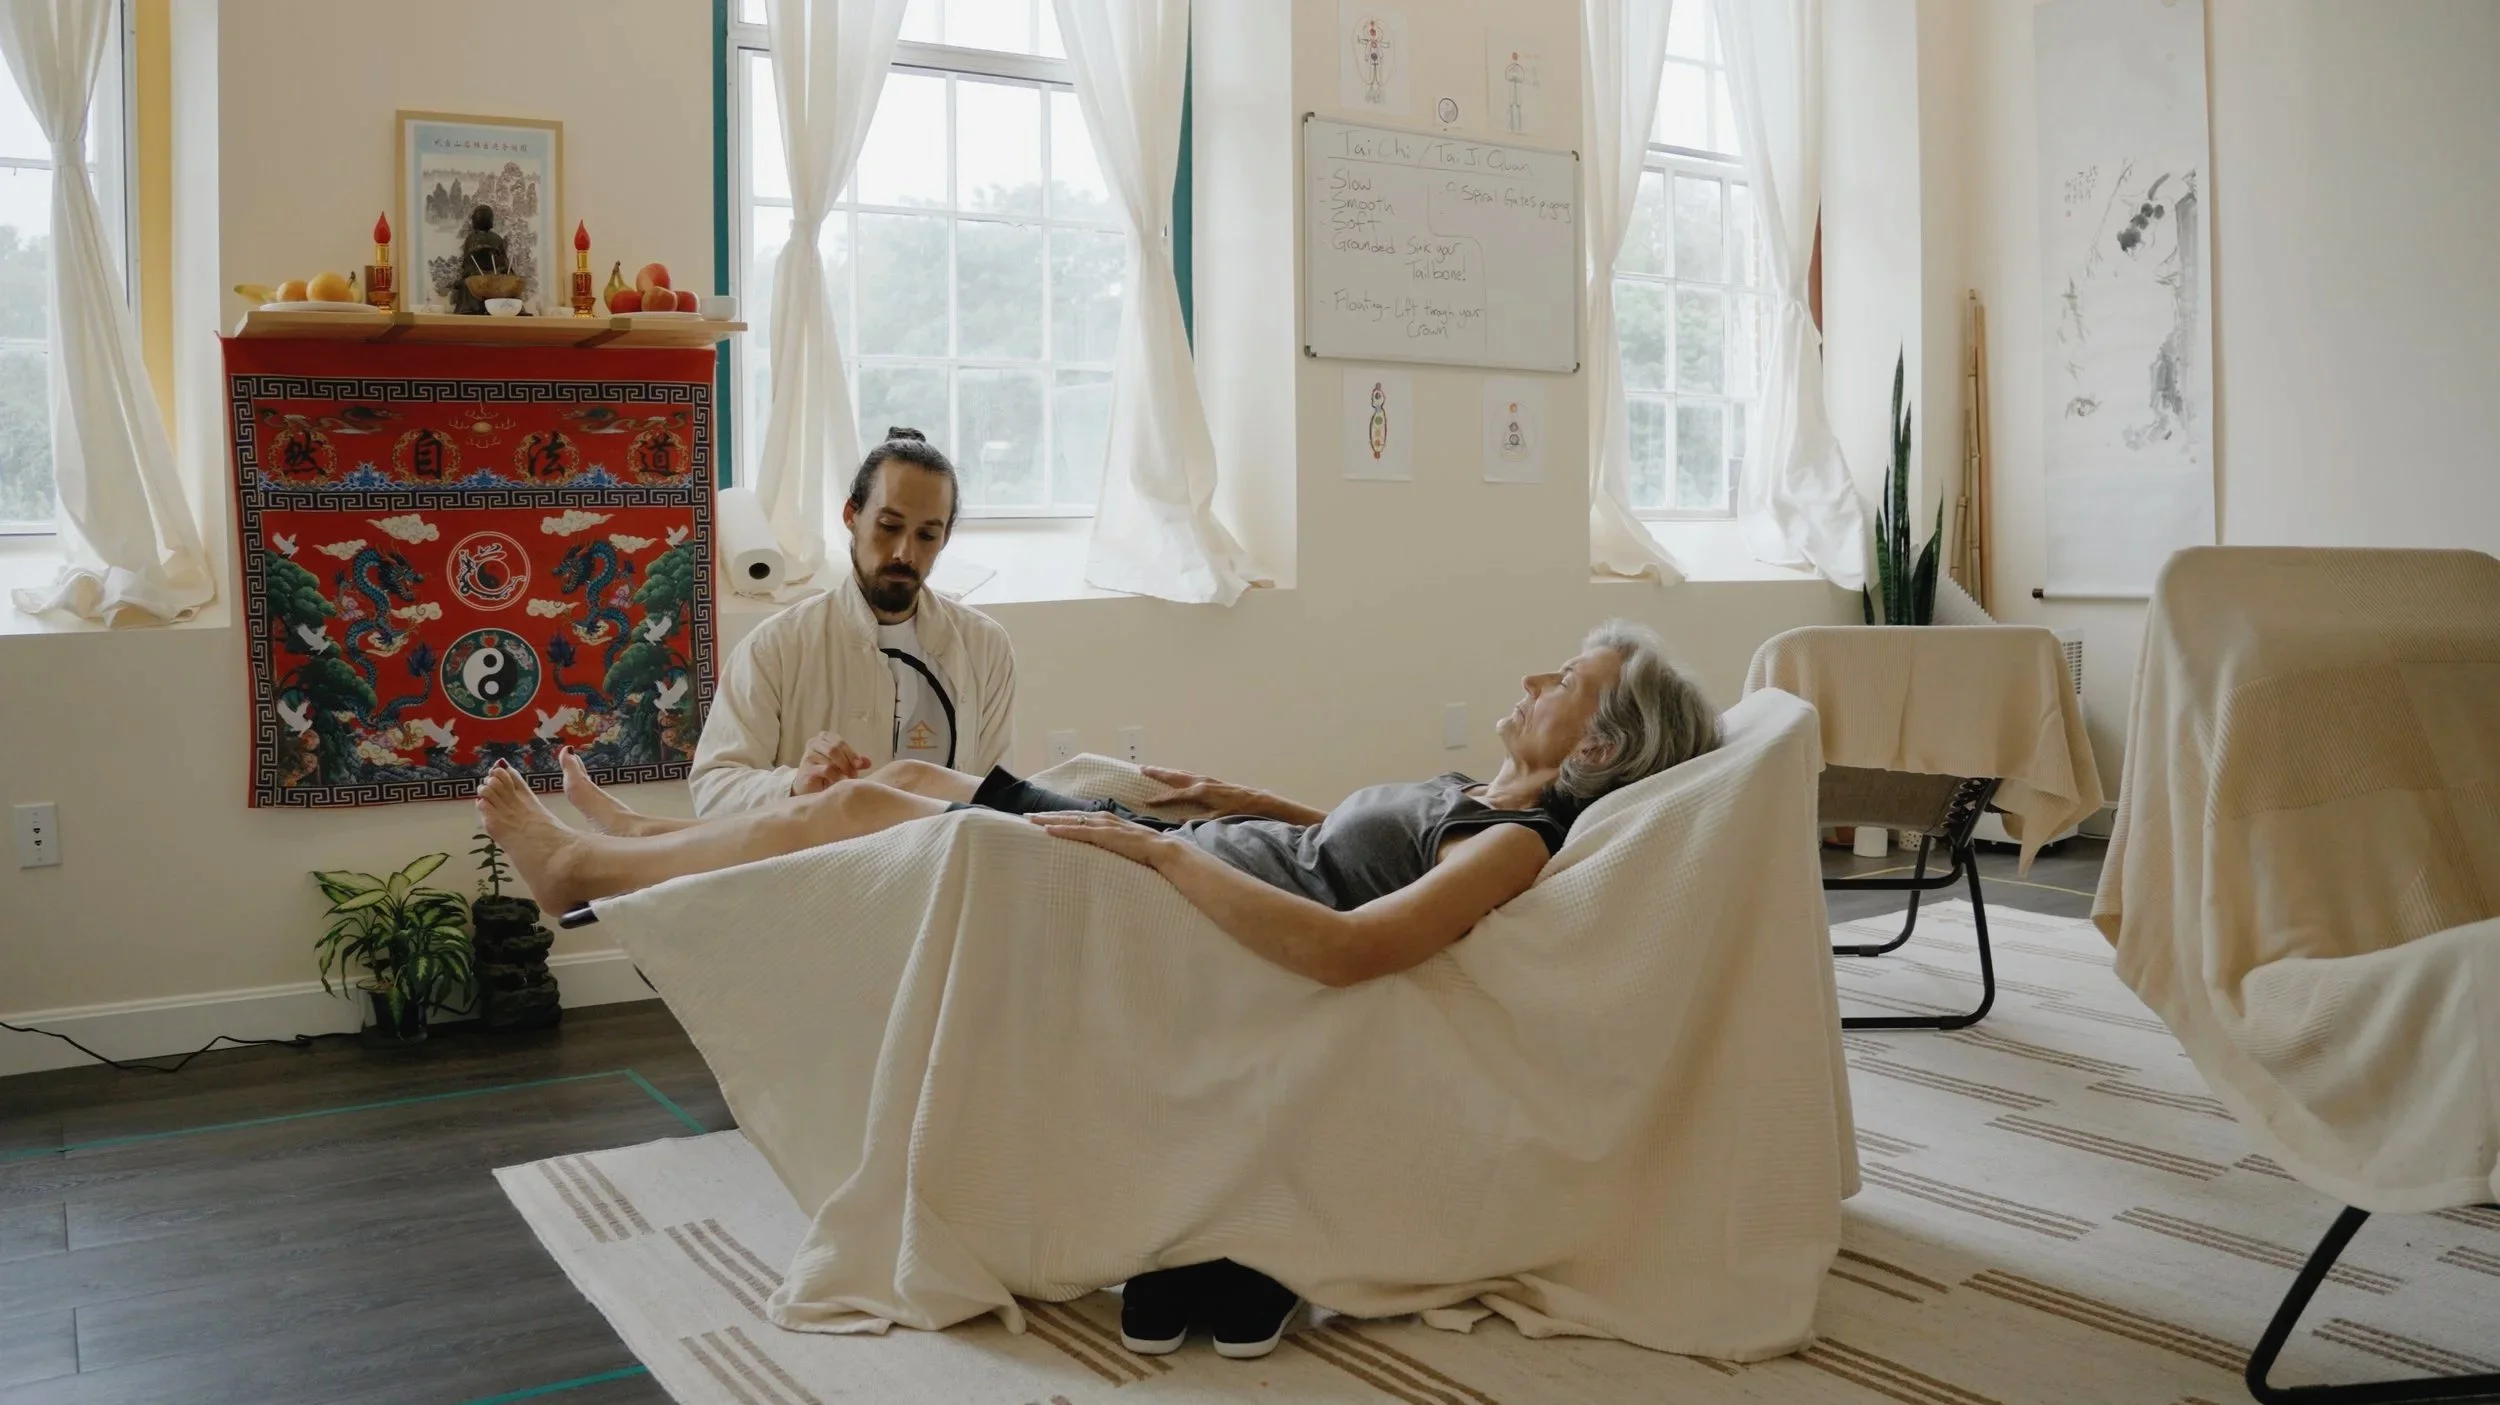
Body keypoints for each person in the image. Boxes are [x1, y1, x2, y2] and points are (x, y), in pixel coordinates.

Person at [476, 619, 1717, 1358]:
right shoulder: (1480, 797)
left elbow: (1353, 945)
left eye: (1571, 679)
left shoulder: (1518, 838)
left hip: (1179, 900)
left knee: (873, 800)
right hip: (1204, 856)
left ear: (1599, 748)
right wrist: (1230, 795)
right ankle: (626, 858)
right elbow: (1344, 841)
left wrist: (1165, 851)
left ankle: (595, 875)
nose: (1541, 674)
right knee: (898, 783)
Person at [689, 428, 1017, 816]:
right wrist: (793, 787)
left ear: (944, 538)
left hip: (939, 865)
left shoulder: (985, 648)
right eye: (888, 526)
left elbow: (993, 793)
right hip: (816, 868)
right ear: (852, 515)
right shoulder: (775, 647)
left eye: (927, 534)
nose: (904, 553)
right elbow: (713, 788)